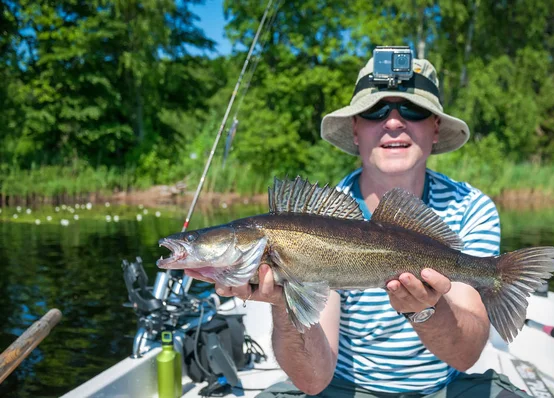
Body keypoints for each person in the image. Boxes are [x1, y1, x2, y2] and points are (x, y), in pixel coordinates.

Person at [188, 52, 530, 397]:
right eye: (375, 111)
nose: (393, 122)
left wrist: (428, 309)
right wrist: (283, 302)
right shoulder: (323, 218)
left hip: (442, 389)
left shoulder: (471, 208)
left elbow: (466, 356)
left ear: (436, 127)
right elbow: (313, 380)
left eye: (412, 110)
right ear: (355, 128)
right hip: (342, 388)